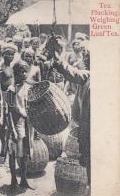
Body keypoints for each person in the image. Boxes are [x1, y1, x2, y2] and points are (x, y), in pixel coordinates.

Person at [53, 51, 91, 189]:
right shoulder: (87, 77)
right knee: (87, 159)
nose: (85, 61)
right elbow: (70, 72)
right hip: (87, 128)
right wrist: (56, 57)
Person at [8, 60, 36, 192]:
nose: (24, 74)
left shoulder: (28, 87)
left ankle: (24, 179)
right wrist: (12, 129)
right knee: (13, 152)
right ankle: (13, 180)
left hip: (27, 125)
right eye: (21, 71)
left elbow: (30, 106)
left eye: (26, 71)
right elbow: (9, 109)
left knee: (25, 153)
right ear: (15, 73)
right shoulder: (11, 89)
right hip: (15, 124)